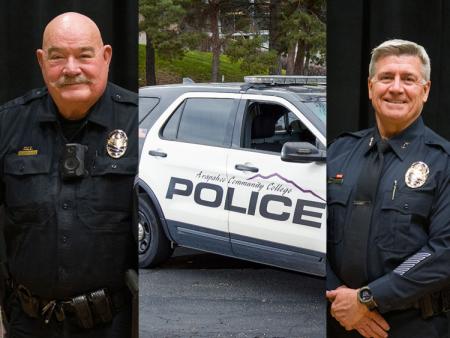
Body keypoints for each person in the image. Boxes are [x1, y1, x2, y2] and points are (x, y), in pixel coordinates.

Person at [0, 12, 137, 337]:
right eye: (58, 57)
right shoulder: (7, 125)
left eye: (84, 56)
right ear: (41, 61)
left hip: (112, 325)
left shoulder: (139, 122)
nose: (71, 69)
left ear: (105, 57)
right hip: (27, 324)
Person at [326, 39, 450, 338]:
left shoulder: (443, 161)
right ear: (371, 88)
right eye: (386, 78)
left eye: (408, 79)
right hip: (335, 318)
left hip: (412, 326)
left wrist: (367, 298)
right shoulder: (339, 152)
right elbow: (312, 229)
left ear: (426, 90)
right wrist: (337, 295)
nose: (396, 88)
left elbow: (444, 250)